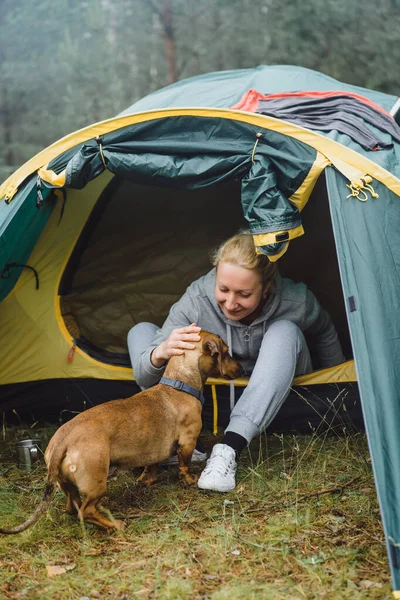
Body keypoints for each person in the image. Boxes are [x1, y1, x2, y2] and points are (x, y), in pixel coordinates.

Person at [127, 231, 345, 493]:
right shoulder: (197, 299)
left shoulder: (296, 301)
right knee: (141, 331)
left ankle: (229, 448)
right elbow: (144, 378)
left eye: (244, 294)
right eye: (223, 289)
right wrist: (160, 351)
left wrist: (337, 395)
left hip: (276, 389)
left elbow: (325, 331)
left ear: (266, 287)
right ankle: (179, 443)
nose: (230, 303)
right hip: (203, 396)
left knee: (285, 330)